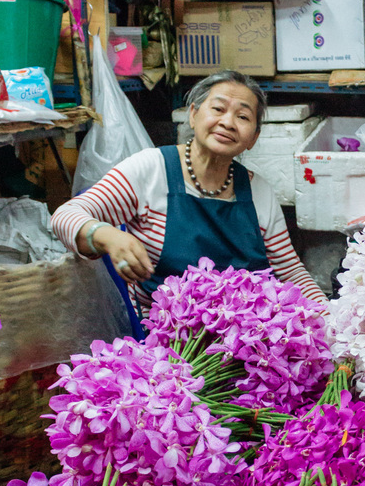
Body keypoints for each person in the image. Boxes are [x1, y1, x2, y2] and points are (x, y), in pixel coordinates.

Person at [52, 70, 326, 308]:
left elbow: (291, 272)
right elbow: (64, 216)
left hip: (248, 341)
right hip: (168, 342)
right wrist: (108, 235)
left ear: (253, 138)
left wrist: (330, 321)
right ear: (193, 115)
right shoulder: (152, 170)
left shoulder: (259, 192)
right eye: (218, 109)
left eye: (242, 116)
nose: (228, 122)